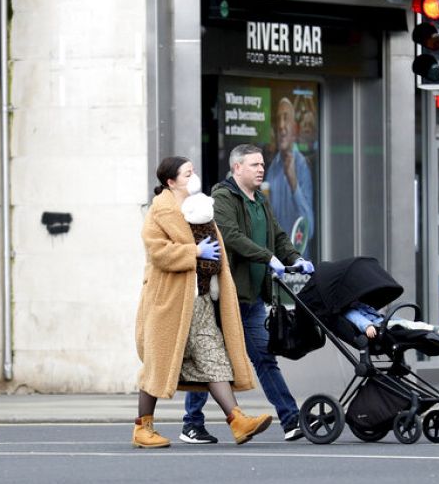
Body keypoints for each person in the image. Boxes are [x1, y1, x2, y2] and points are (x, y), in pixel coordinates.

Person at [133, 156, 273, 449]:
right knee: (158, 365)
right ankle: (142, 427)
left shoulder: (198, 207)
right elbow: (158, 252)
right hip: (170, 302)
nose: (192, 176)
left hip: (201, 300)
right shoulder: (161, 210)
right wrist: (193, 251)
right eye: (187, 173)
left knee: (214, 358)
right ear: (171, 181)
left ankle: (237, 420)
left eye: (193, 171)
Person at [181, 144, 314, 444]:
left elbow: (279, 236)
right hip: (226, 298)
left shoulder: (260, 201)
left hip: (252, 299)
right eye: (254, 164)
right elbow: (230, 235)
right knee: (211, 362)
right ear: (237, 168)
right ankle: (191, 423)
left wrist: (294, 258)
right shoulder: (223, 198)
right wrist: (268, 258)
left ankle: (292, 420)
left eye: (262, 165)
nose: (261, 169)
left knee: (265, 359)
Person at [264, 96, 315, 257]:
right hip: (275, 262)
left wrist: (293, 181)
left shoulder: (302, 166)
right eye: (278, 120)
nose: (281, 126)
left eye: (286, 119)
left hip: (297, 267)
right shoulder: (272, 167)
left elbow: (310, 229)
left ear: (295, 129)